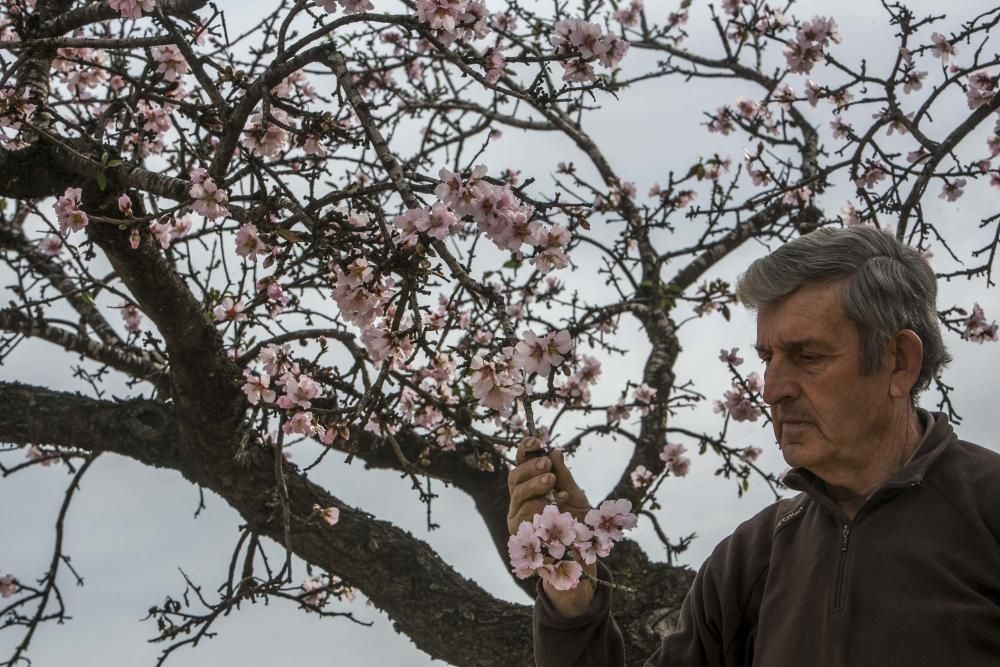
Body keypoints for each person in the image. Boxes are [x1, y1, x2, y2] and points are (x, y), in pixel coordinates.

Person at [506, 225, 1000, 666]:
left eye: (807, 356)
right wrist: (572, 604)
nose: (772, 388)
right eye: (768, 357)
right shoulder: (750, 558)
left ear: (898, 363)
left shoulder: (988, 509)